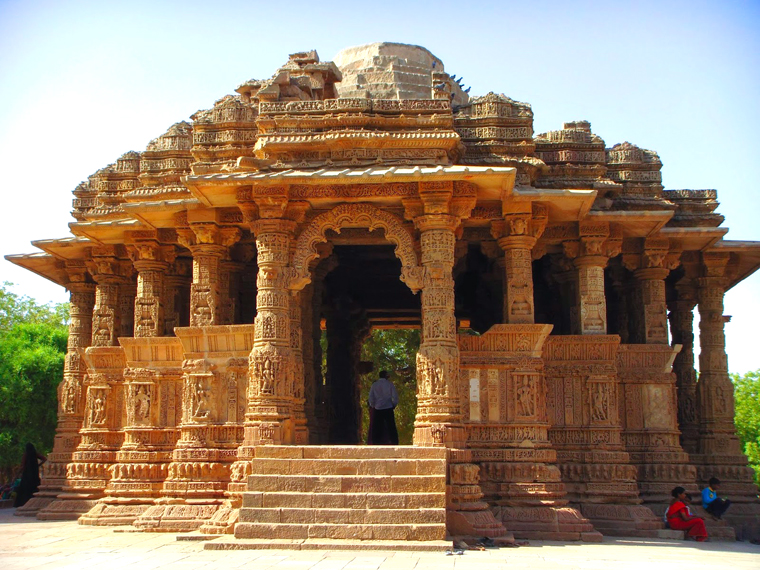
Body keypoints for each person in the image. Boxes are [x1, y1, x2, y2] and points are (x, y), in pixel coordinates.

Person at [368, 370, 399, 445]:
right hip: (388, 407)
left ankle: (375, 442)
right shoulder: (389, 384)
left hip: (378, 408)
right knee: (391, 425)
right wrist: (393, 405)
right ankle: (394, 441)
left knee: (377, 426)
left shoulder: (374, 385)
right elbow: (395, 396)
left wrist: (373, 405)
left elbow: (371, 397)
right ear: (386, 376)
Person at [13, 443, 46, 508]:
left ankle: (23, 503)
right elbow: (44, 459)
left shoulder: (26, 455)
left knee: (25, 489)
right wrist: (38, 465)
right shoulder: (35, 454)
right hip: (34, 475)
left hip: (26, 475)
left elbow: (22, 465)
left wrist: (17, 473)